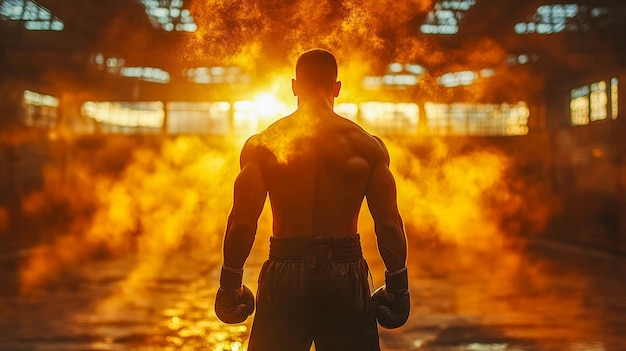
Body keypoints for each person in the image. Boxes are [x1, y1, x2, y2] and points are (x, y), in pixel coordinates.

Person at [214, 48, 409, 351]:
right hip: (345, 274)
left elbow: (242, 222)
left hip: (285, 270)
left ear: (294, 87)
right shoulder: (367, 146)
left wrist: (229, 285)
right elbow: (389, 224)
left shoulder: (262, 145)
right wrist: (399, 287)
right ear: (337, 88)